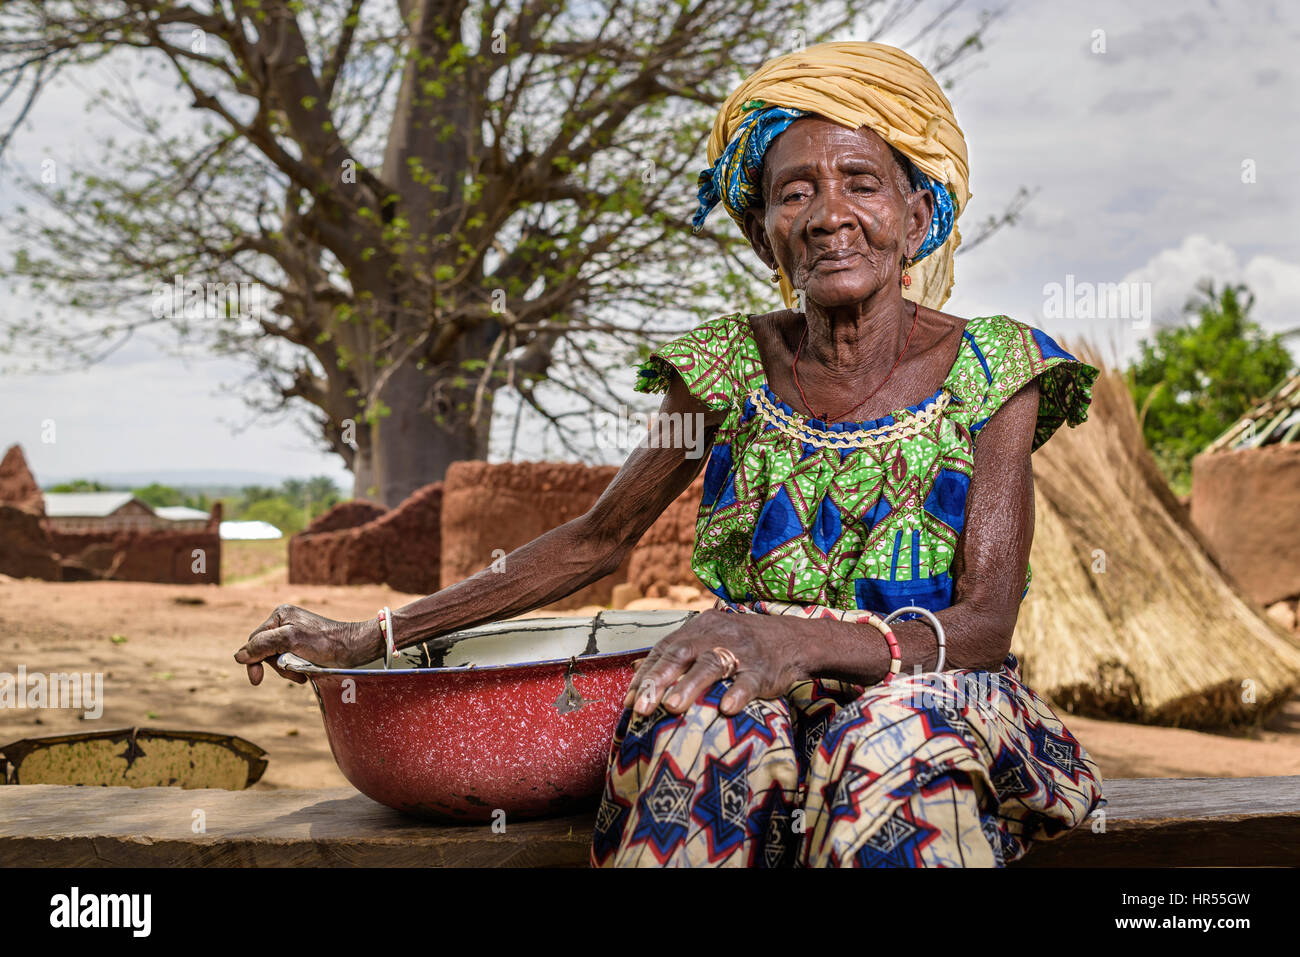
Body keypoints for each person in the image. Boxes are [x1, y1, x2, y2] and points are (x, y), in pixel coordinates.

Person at [236, 40, 1105, 868]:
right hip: (754, 684)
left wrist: (796, 640)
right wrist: (375, 634)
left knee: (887, 753)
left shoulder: (992, 369)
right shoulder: (725, 368)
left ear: (916, 218)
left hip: (929, 687)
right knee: (692, 742)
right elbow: (596, 540)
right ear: (766, 234)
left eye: (861, 184)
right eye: (794, 192)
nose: (829, 215)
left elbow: (985, 624)